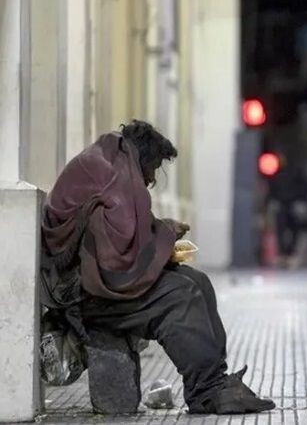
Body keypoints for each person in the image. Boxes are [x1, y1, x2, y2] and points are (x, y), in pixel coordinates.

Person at [40, 120, 276, 415]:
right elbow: (118, 259)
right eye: (153, 169)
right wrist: (166, 232)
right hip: (81, 296)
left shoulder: (109, 161)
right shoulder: (115, 173)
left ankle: (215, 380)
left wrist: (161, 234)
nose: (151, 179)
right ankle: (206, 392)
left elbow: (119, 238)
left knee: (198, 281)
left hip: (88, 280)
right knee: (181, 296)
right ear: (144, 157)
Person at [268, 152, 307, 269]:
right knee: (281, 229)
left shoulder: (296, 172)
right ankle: (283, 253)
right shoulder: (276, 173)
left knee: (294, 229)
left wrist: (301, 200)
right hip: (282, 204)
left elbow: (303, 187)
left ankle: (290, 253)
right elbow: (273, 188)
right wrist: (273, 200)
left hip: (293, 203)